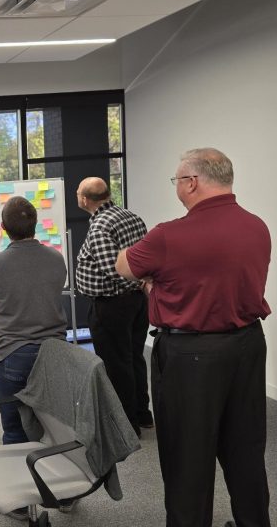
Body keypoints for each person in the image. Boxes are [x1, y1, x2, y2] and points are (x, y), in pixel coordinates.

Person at [115, 148, 272, 527]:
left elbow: (124, 265)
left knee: (188, 456)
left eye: (177, 181)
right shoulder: (257, 225)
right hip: (248, 346)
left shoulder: (168, 235)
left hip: (190, 355)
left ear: (192, 182)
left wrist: (157, 284)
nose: (177, 188)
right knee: (245, 450)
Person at [0, 196, 68, 444]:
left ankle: (20, 479)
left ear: (3, 228)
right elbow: (51, 291)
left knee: (15, 428)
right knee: (55, 424)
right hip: (55, 352)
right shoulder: (56, 258)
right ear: (35, 224)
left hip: (14, 353)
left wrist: (4, 304)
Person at [75, 177, 152, 436]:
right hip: (137, 302)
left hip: (112, 305)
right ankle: (142, 414)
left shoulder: (100, 226)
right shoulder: (132, 216)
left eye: (78, 194)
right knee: (134, 358)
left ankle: (125, 425)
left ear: (85, 199)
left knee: (116, 365)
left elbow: (113, 269)